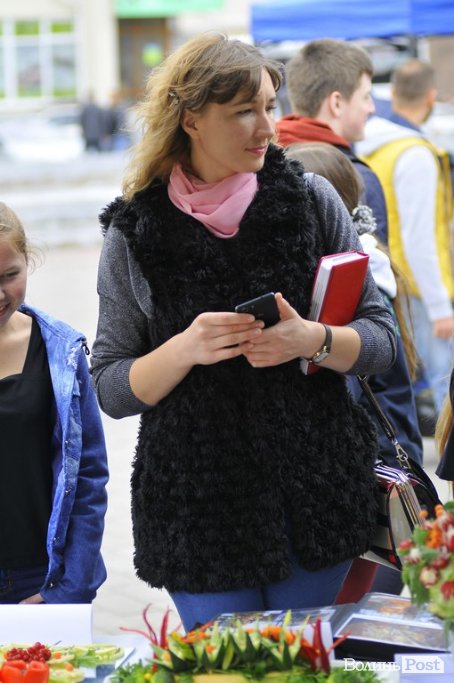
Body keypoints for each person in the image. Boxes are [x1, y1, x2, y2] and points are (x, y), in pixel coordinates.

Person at [90, 33, 396, 632]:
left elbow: (382, 339)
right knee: (224, 669)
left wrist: (312, 339)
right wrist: (184, 348)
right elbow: (111, 386)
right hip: (199, 509)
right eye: (243, 112)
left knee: (302, 664)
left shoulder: (310, 200)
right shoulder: (135, 230)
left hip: (316, 495)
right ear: (191, 120)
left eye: (270, 106)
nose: (266, 127)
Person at [284, 141, 423, 600]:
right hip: (369, 473)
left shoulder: (355, 282)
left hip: (369, 479)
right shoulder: (368, 270)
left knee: (352, 615)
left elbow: (377, 384)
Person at [0, 202, 108, 604]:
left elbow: (89, 475)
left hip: (41, 578)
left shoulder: (60, 351)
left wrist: (68, 589)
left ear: (28, 263)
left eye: (10, 276)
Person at [357, 59, 454, 416]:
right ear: (430, 98)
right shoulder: (414, 153)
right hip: (420, 291)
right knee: (445, 388)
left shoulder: (371, 145)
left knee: (403, 387)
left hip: (389, 280)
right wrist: (441, 308)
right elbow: (419, 238)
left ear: (393, 95)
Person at [276, 38, 388, 245]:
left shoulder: (264, 165)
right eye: (365, 97)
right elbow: (374, 260)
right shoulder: (356, 177)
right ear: (336, 103)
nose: (371, 108)